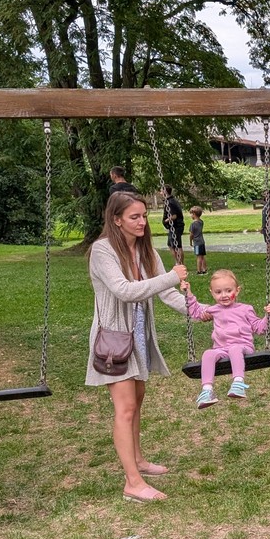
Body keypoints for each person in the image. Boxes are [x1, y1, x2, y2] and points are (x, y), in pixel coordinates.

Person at [87, 191, 188, 503]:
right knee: (126, 407)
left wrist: (199, 311)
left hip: (139, 335)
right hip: (114, 340)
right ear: (117, 219)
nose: (142, 222)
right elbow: (125, 291)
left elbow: (167, 293)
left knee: (137, 400)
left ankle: (139, 460)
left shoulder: (146, 251)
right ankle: (132, 483)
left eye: (144, 215)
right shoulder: (102, 250)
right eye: (134, 217)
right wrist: (170, 277)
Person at [180, 269, 270, 408]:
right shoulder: (214, 310)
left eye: (228, 291)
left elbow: (259, 328)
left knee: (234, 349)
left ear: (237, 290)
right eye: (218, 292)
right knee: (208, 353)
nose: (224, 295)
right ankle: (207, 391)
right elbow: (195, 312)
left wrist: (268, 316)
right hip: (221, 349)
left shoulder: (245, 309)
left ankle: (238, 383)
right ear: (212, 293)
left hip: (243, 347)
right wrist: (188, 293)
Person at [161, 185, 184, 264]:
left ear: (165, 191)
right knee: (170, 245)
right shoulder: (170, 200)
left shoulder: (170, 202)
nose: (160, 193)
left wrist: (166, 221)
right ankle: (177, 262)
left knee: (177, 246)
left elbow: (174, 216)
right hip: (173, 227)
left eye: (161, 191)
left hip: (176, 226)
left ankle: (180, 263)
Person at [189, 206, 207, 275]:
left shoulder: (193, 224)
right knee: (202, 256)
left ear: (194, 214)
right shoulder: (201, 222)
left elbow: (191, 234)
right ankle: (204, 269)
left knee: (198, 257)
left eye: (191, 214)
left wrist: (190, 242)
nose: (191, 215)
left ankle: (199, 271)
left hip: (196, 243)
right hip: (202, 242)